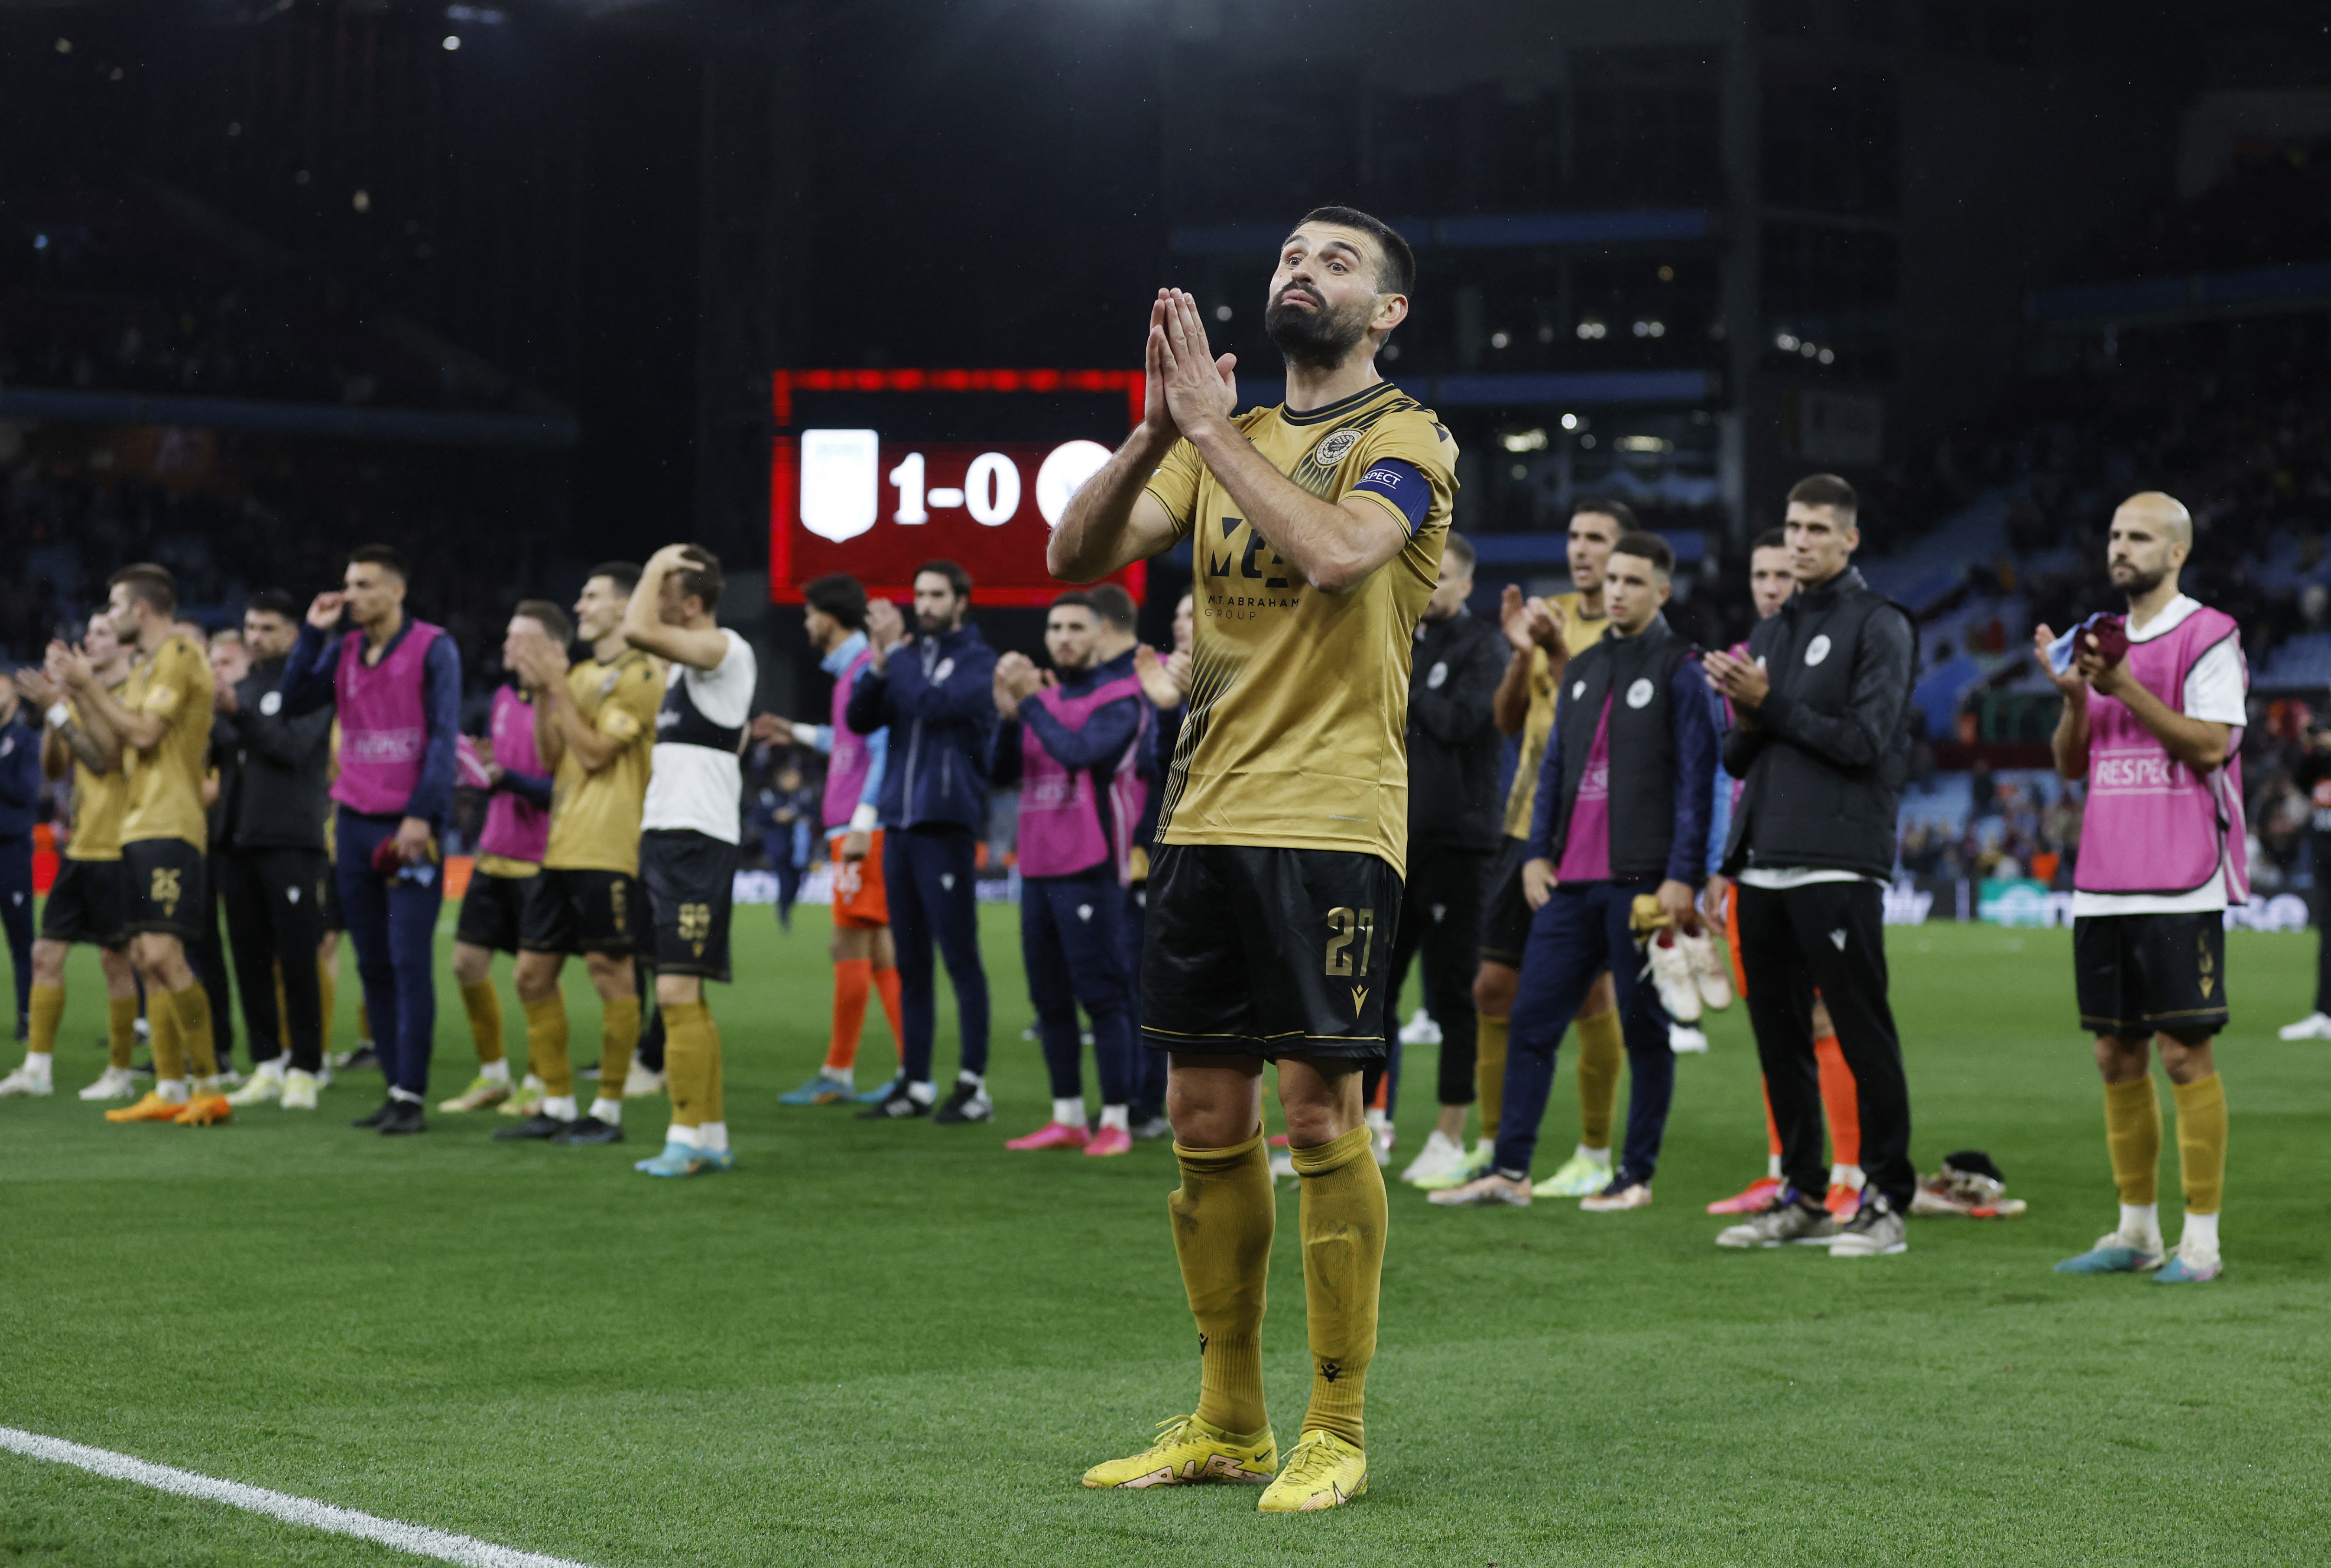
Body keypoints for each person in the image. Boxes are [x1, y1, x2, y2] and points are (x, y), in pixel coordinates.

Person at [1052, 207, 1456, 1511]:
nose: (1301, 270)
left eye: (1336, 261)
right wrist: (1162, 429)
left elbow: (1337, 555)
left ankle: (1333, 1423)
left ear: (1387, 310)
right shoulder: (1223, 440)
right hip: (1201, 818)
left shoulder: (1404, 435)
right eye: (1290, 255)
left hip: (1332, 823)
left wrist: (1212, 434)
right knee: (1203, 1120)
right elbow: (1074, 555)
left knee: (1317, 1117)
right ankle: (1228, 1417)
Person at [1431, 533, 1717, 1211]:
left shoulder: (1682, 667)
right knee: (1532, 1022)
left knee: (1645, 1030)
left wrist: (1682, 875)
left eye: (1633, 581)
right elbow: (1555, 766)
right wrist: (1536, 853)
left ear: (1663, 592)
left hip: (1641, 882)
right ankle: (1510, 1171)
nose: (1617, 590)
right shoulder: (1583, 668)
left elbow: (1697, 782)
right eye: (1613, 579)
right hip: (1569, 882)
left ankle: (1635, 1175)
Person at [1703, 474, 1917, 1257]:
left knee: (1863, 1035)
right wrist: (1749, 702)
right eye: (1792, 527)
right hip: (1763, 862)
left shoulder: (1881, 625)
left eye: (1817, 529)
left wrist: (1771, 702)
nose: (1800, 541)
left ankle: (1887, 1200)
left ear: (1850, 539)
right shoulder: (1772, 630)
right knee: (1778, 1039)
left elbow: (1866, 741)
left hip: (1837, 860)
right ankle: (1801, 1195)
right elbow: (1736, 754)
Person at [2035, 492, 2243, 1284]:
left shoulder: (2208, 635)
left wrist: (2122, 688)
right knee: (2114, 1055)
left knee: (2184, 1056)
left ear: (2177, 552)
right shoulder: (2096, 641)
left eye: (2141, 537)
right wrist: (2074, 701)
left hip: (2180, 877)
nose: (2122, 548)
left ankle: (2202, 1243)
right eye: (2116, 534)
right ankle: (2135, 1232)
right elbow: (2070, 764)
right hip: (2104, 878)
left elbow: (2211, 749)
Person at [1466, 499, 1631, 1198]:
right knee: (1492, 988)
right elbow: (1508, 722)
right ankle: (1492, 1147)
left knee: (1591, 995)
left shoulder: (1626, 630)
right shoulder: (1546, 613)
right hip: (1519, 825)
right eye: (1574, 536)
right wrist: (1521, 655)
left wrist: (1558, 654)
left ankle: (1595, 1151)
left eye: (1597, 539)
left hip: (1586, 833)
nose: (1581, 549)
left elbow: (1599, 726)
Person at [279, 544, 462, 1137]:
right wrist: (310, 633)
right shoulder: (346, 648)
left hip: (407, 828)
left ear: (397, 591)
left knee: (410, 961)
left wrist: (422, 816)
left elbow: (442, 739)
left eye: (363, 585)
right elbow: (293, 701)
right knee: (373, 962)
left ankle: (412, 1095)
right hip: (354, 824)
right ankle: (393, 1089)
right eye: (348, 583)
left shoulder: (435, 647)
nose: (351, 594)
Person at [1705, 530, 1864, 1217]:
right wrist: (1719, 861)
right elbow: (1728, 773)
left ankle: (1849, 1176)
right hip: (1751, 860)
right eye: (1759, 573)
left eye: (1781, 573)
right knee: (1775, 1022)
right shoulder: (1746, 659)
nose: (1770, 585)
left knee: (1825, 1019)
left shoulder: (1828, 660)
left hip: (1816, 859)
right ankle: (1785, 1170)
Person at [495, 564, 661, 1147]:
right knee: (530, 975)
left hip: (611, 848)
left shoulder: (641, 673)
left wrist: (558, 685)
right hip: (563, 845)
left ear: (625, 606)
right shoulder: (584, 673)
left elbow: (594, 755)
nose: (582, 605)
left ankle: (609, 1110)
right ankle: (560, 1103)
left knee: (609, 972)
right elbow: (549, 757)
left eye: (592, 596)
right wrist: (545, 691)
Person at [57, 565, 228, 1125]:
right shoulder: (144, 670)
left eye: (116, 605)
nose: (110, 615)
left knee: (162, 955)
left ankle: (210, 1085)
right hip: (135, 828)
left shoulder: (179, 654)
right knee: (144, 962)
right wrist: (78, 695)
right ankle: (172, 1087)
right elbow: (110, 746)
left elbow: (145, 734)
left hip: (171, 823)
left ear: (142, 610)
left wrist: (89, 691)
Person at [992, 590, 1148, 1156]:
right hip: (1037, 866)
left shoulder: (1120, 697)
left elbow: (1081, 753)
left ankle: (1117, 1119)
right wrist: (1009, 719)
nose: (1062, 637)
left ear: (1100, 635)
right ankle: (1067, 1117)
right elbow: (999, 772)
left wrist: (1031, 703)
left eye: (1075, 628)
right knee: (1050, 999)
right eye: (1055, 627)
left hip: (1091, 865)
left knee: (1104, 996)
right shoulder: (1044, 701)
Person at [844, 560, 1000, 1125]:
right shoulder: (908, 660)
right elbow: (860, 719)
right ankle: (914, 1083)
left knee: (959, 957)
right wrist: (880, 666)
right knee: (911, 962)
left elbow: (936, 706)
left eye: (937, 595)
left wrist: (897, 657)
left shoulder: (980, 662)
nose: (925, 604)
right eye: (919, 594)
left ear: (963, 601)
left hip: (945, 826)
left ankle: (973, 1084)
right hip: (903, 828)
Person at [622, 544, 756, 1176]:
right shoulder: (684, 672)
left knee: (675, 990)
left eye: (665, 589)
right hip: (667, 837)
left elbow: (635, 628)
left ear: (692, 603)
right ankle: (710, 1133)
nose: (653, 598)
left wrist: (653, 565)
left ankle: (683, 1135)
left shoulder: (729, 648)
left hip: (698, 840)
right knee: (686, 993)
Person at [750, 573, 904, 1107]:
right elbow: (848, 743)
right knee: (879, 945)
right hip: (857, 828)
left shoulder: (866, 668)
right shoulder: (852, 672)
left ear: (829, 616)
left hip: (862, 831)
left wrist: (863, 821)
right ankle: (911, 1070)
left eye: (809, 613)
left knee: (847, 942)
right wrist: (792, 729)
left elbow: (884, 748)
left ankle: (840, 1070)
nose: (807, 622)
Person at [1380, 530, 1505, 1187]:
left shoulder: (1486, 647)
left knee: (1456, 997)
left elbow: (1461, 724)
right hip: (1394, 842)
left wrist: (1398, 678)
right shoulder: (1402, 641)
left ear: (1466, 586)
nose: (1426, 583)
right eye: (1419, 570)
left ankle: (1451, 1136)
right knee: (1374, 994)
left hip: (1460, 845)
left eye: (1441, 574)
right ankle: (1370, 1126)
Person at [0, 619, 142, 1100]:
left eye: (102, 633)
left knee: (115, 961)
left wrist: (63, 708)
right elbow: (56, 767)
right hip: (81, 847)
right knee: (46, 954)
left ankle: (121, 1070)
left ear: (123, 642)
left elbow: (105, 759)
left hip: (120, 844)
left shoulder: (126, 696)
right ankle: (37, 1068)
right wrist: (53, 711)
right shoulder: (86, 696)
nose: (91, 641)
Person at [439, 602, 563, 1114]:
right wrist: (482, 763)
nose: (509, 646)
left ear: (552, 647)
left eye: (522, 638)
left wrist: (506, 778)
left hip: (542, 860)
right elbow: (509, 764)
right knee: (466, 963)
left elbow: (564, 787)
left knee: (536, 978)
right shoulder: (504, 698)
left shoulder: (566, 701)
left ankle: (540, 1079)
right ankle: (494, 1075)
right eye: (509, 637)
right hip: (493, 852)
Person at [216, 591, 336, 1110]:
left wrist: (240, 714)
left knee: (296, 958)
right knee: (249, 958)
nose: (255, 636)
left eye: (267, 627)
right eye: (250, 626)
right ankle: (266, 1062)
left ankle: (307, 1066)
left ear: (293, 633)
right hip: (235, 839)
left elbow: (292, 749)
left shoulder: (311, 689)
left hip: (289, 838)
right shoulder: (240, 688)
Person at [1108, 581, 1178, 1140]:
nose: (1183, 622)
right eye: (1178, 614)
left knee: (1175, 989)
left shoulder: (1243, 681)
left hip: (1212, 849)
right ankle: (1144, 1098)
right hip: (1157, 847)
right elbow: (1161, 771)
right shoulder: (1163, 689)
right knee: (1141, 983)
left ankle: (1158, 1100)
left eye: (1194, 614)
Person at [195, 628, 244, 1076]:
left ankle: (296, 1052)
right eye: (214, 662)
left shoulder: (239, 720)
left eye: (227, 662)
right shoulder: (206, 719)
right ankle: (219, 1046)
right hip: (210, 842)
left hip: (250, 841)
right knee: (204, 946)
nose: (217, 671)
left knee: (265, 952)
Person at [2277, 703, 2331, 1040]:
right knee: (2328, 934)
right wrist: (2310, 747)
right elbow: (2298, 781)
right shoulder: (2319, 761)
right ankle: (2324, 1013)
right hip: (2325, 859)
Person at [0, 673, 38, 1043]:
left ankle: (27, 1016)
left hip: (10, 853)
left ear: (13, 699)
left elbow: (27, 791)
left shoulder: (25, 740)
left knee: (22, 940)